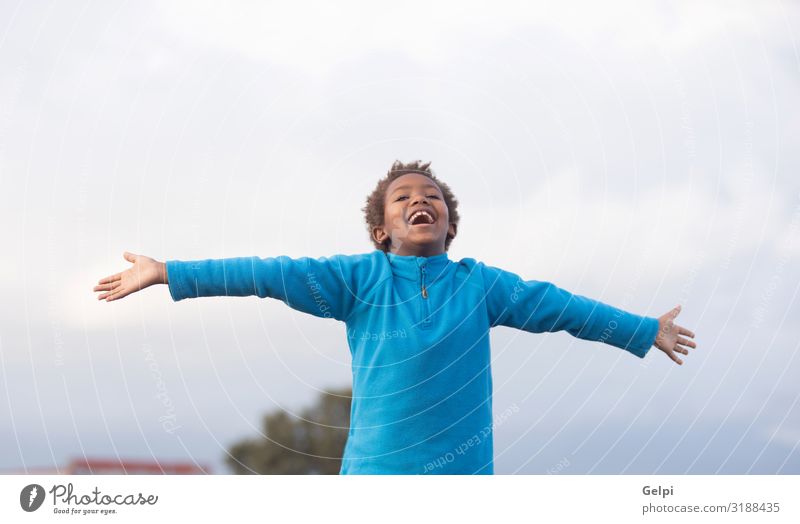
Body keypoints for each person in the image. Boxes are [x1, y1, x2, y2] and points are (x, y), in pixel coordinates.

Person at [93, 160, 696, 474]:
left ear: (450, 224)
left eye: (432, 196)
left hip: (462, 483)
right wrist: (171, 271)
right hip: (374, 482)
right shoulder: (357, 279)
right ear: (382, 230)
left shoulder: (482, 286)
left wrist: (644, 330)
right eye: (404, 197)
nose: (420, 201)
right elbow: (266, 272)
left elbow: (563, 308)